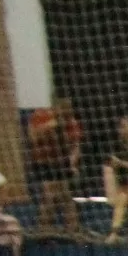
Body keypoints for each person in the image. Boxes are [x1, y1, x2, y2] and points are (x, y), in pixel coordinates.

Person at [26, 99, 82, 233]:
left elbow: (76, 146)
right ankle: (44, 230)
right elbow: (33, 138)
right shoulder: (40, 115)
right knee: (49, 196)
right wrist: (50, 126)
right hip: (43, 160)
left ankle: (72, 229)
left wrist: (72, 163)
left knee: (66, 196)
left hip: (61, 161)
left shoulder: (71, 122)